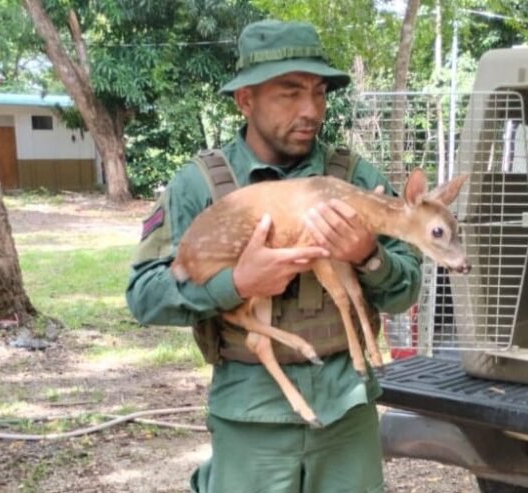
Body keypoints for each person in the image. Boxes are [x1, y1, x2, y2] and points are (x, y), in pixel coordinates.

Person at [126, 19, 422, 493]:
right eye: (289, 93)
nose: (311, 110)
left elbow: (406, 289)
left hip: (347, 410)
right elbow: (144, 296)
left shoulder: (354, 178)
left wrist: (368, 257)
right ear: (246, 100)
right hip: (252, 417)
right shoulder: (201, 186)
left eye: (319, 92)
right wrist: (237, 284)